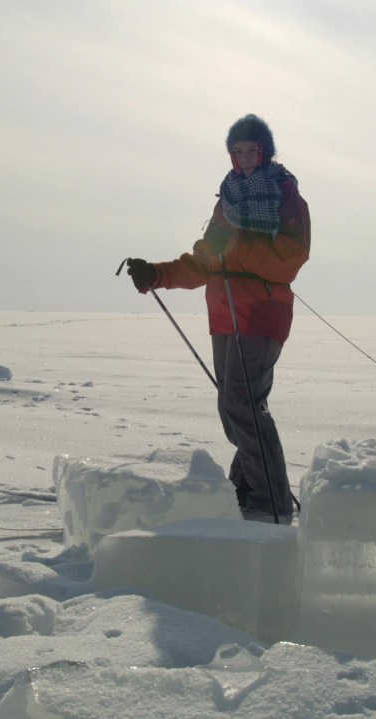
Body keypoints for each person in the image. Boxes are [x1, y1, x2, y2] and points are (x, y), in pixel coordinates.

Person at [124, 114, 310, 524]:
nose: (244, 158)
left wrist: (237, 247)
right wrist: (156, 274)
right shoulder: (227, 201)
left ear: (265, 152)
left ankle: (271, 504)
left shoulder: (284, 194)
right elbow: (204, 263)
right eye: (237, 151)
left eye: (251, 150)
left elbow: (290, 260)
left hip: (262, 313)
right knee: (233, 408)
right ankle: (247, 489)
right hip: (225, 316)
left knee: (244, 404)